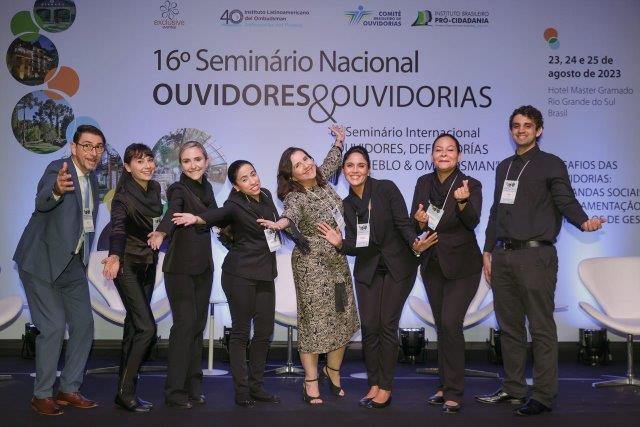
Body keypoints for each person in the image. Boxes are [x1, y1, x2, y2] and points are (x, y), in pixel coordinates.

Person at [476, 105, 605, 416]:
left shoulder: (551, 164)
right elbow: (495, 211)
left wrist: (583, 221)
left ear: (539, 130)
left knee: (541, 327)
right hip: (503, 256)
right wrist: (488, 250)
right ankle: (513, 388)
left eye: (527, 125)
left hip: (536, 255)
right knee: (509, 328)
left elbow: (565, 200)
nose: (521, 130)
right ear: (511, 130)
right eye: (516, 125)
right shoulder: (504, 167)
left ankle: (544, 396)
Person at [318, 146, 436, 409]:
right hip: (368, 269)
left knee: (386, 325)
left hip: (398, 265)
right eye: (350, 166)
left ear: (368, 169)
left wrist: (415, 243)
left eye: (361, 165)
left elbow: (404, 223)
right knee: (370, 326)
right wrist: (340, 243)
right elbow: (356, 244)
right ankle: (373, 384)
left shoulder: (386, 189)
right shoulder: (347, 204)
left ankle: (385, 386)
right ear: (343, 170)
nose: (355, 170)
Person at [258, 125, 359, 405]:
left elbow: (332, 160)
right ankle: (310, 381)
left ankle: (333, 372)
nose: (306, 165)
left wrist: (339, 141)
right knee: (314, 325)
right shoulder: (295, 196)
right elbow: (289, 215)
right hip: (311, 268)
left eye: (306, 158)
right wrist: (280, 224)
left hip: (338, 262)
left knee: (342, 318)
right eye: (297, 165)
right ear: (291, 175)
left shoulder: (322, 180)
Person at [171, 160, 282, 407]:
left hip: (265, 272)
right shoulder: (234, 205)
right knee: (241, 332)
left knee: (264, 332)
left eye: (253, 174)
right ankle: (242, 391)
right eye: (245, 179)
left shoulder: (265, 195)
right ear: (236, 186)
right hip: (239, 274)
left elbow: (275, 226)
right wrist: (196, 218)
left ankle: (256, 387)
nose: (252, 181)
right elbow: (216, 216)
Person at [13, 124, 104, 415]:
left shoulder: (94, 181)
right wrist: (55, 190)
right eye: (87, 145)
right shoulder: (58, 169)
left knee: (84, 325)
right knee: (52, 326)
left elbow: (85, 224)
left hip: (72, 265)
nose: (93, 152)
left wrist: (84, 261)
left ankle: (68, 389)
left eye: (98, 147)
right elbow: (42, 200)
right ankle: (41, 394)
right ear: (73, 148)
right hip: (40, 263)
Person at [410, 133, 483, 413]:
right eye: (439, 150)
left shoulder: (470, 184)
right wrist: (419, 222)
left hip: (463, 266)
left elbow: (472, 221)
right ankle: (443, 385)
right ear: (432, 155)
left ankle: (454, 391)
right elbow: (416, 222)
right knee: (442, 326)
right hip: (433, 264)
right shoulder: (423, 182)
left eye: (450, 150)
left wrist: (463, 202)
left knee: (451, 322)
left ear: (459, 156)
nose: (444, 154)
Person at [147, 141, 218, 409]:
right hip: (179, 269)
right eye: (187, 161)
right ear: (180, 165)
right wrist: (161, 232)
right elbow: (172, 212)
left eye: (197, 159)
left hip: (204, 268)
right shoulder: (178, 188)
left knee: (197, 328)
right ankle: (175, 391)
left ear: (206, 161)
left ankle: (193, 387)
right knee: (184, 326)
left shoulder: (208, 188)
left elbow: (215, 216)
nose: (193, 165)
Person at [101, 143, 163, 412]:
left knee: (134, 327)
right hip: (126, 264)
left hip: (149, 264)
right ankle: (126, 392)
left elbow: (157, 224)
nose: (147, 165)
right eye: (139, 161)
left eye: (149, 159)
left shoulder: (156, 189)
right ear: (127, 167)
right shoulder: (122, 196)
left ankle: (123, 392)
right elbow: (117, 228)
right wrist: (114, 255)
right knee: (147, 328)